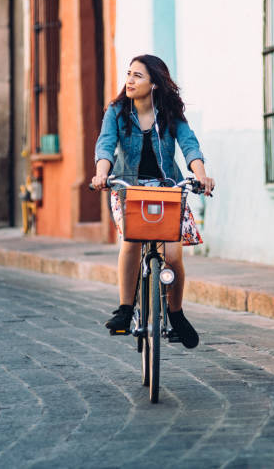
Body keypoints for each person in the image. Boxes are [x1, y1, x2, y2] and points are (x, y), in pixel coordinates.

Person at [92, 54, 215, 349]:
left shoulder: (170, 113)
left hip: (167, 190)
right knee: (132, 241)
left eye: (138, 76)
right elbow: (105, 144)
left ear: (155, 85)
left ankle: (176, 314)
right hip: (128, 189)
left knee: (173, 255)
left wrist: (201, 175)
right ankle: (124, 309)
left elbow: (189, 145)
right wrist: (101, 174)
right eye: (129, 74)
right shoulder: (117, 111)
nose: (130, 81)